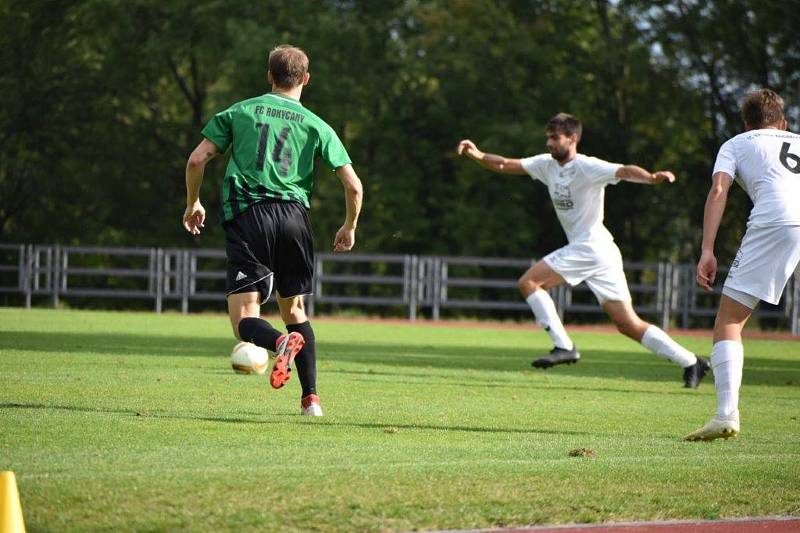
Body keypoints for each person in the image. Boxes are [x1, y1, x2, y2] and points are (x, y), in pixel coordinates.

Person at [457, 113, 709, 387]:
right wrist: (478, 155)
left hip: (591, 247)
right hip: (600, 251)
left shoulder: (587, 166)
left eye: (554, 138)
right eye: (548, 138)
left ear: (573, 138)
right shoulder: (546, 165)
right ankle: (692, 362)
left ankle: (564, 345)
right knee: (627, 324)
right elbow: (506, 164)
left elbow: (623, 171)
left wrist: (650, 178)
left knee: (529, 282)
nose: (549, 143)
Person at [182, 44, 363, 417]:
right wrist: (349, 225)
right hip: (296, 219)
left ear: (269, 76)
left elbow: (198, 158)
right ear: (306, 80)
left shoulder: (240, 111)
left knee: (244, 317)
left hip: (250, 215)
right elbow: (354, 185)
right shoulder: (317, 124)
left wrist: (193, 202)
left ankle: (280, 343)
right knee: (295, 308)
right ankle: (311, 400)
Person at [685, 89, 800, 441]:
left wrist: (707, 249)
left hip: (775, 223)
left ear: (746, 122)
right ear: (782, 122)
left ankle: (725, 414)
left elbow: (719, 191)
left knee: (730, 320)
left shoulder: (736, 143)